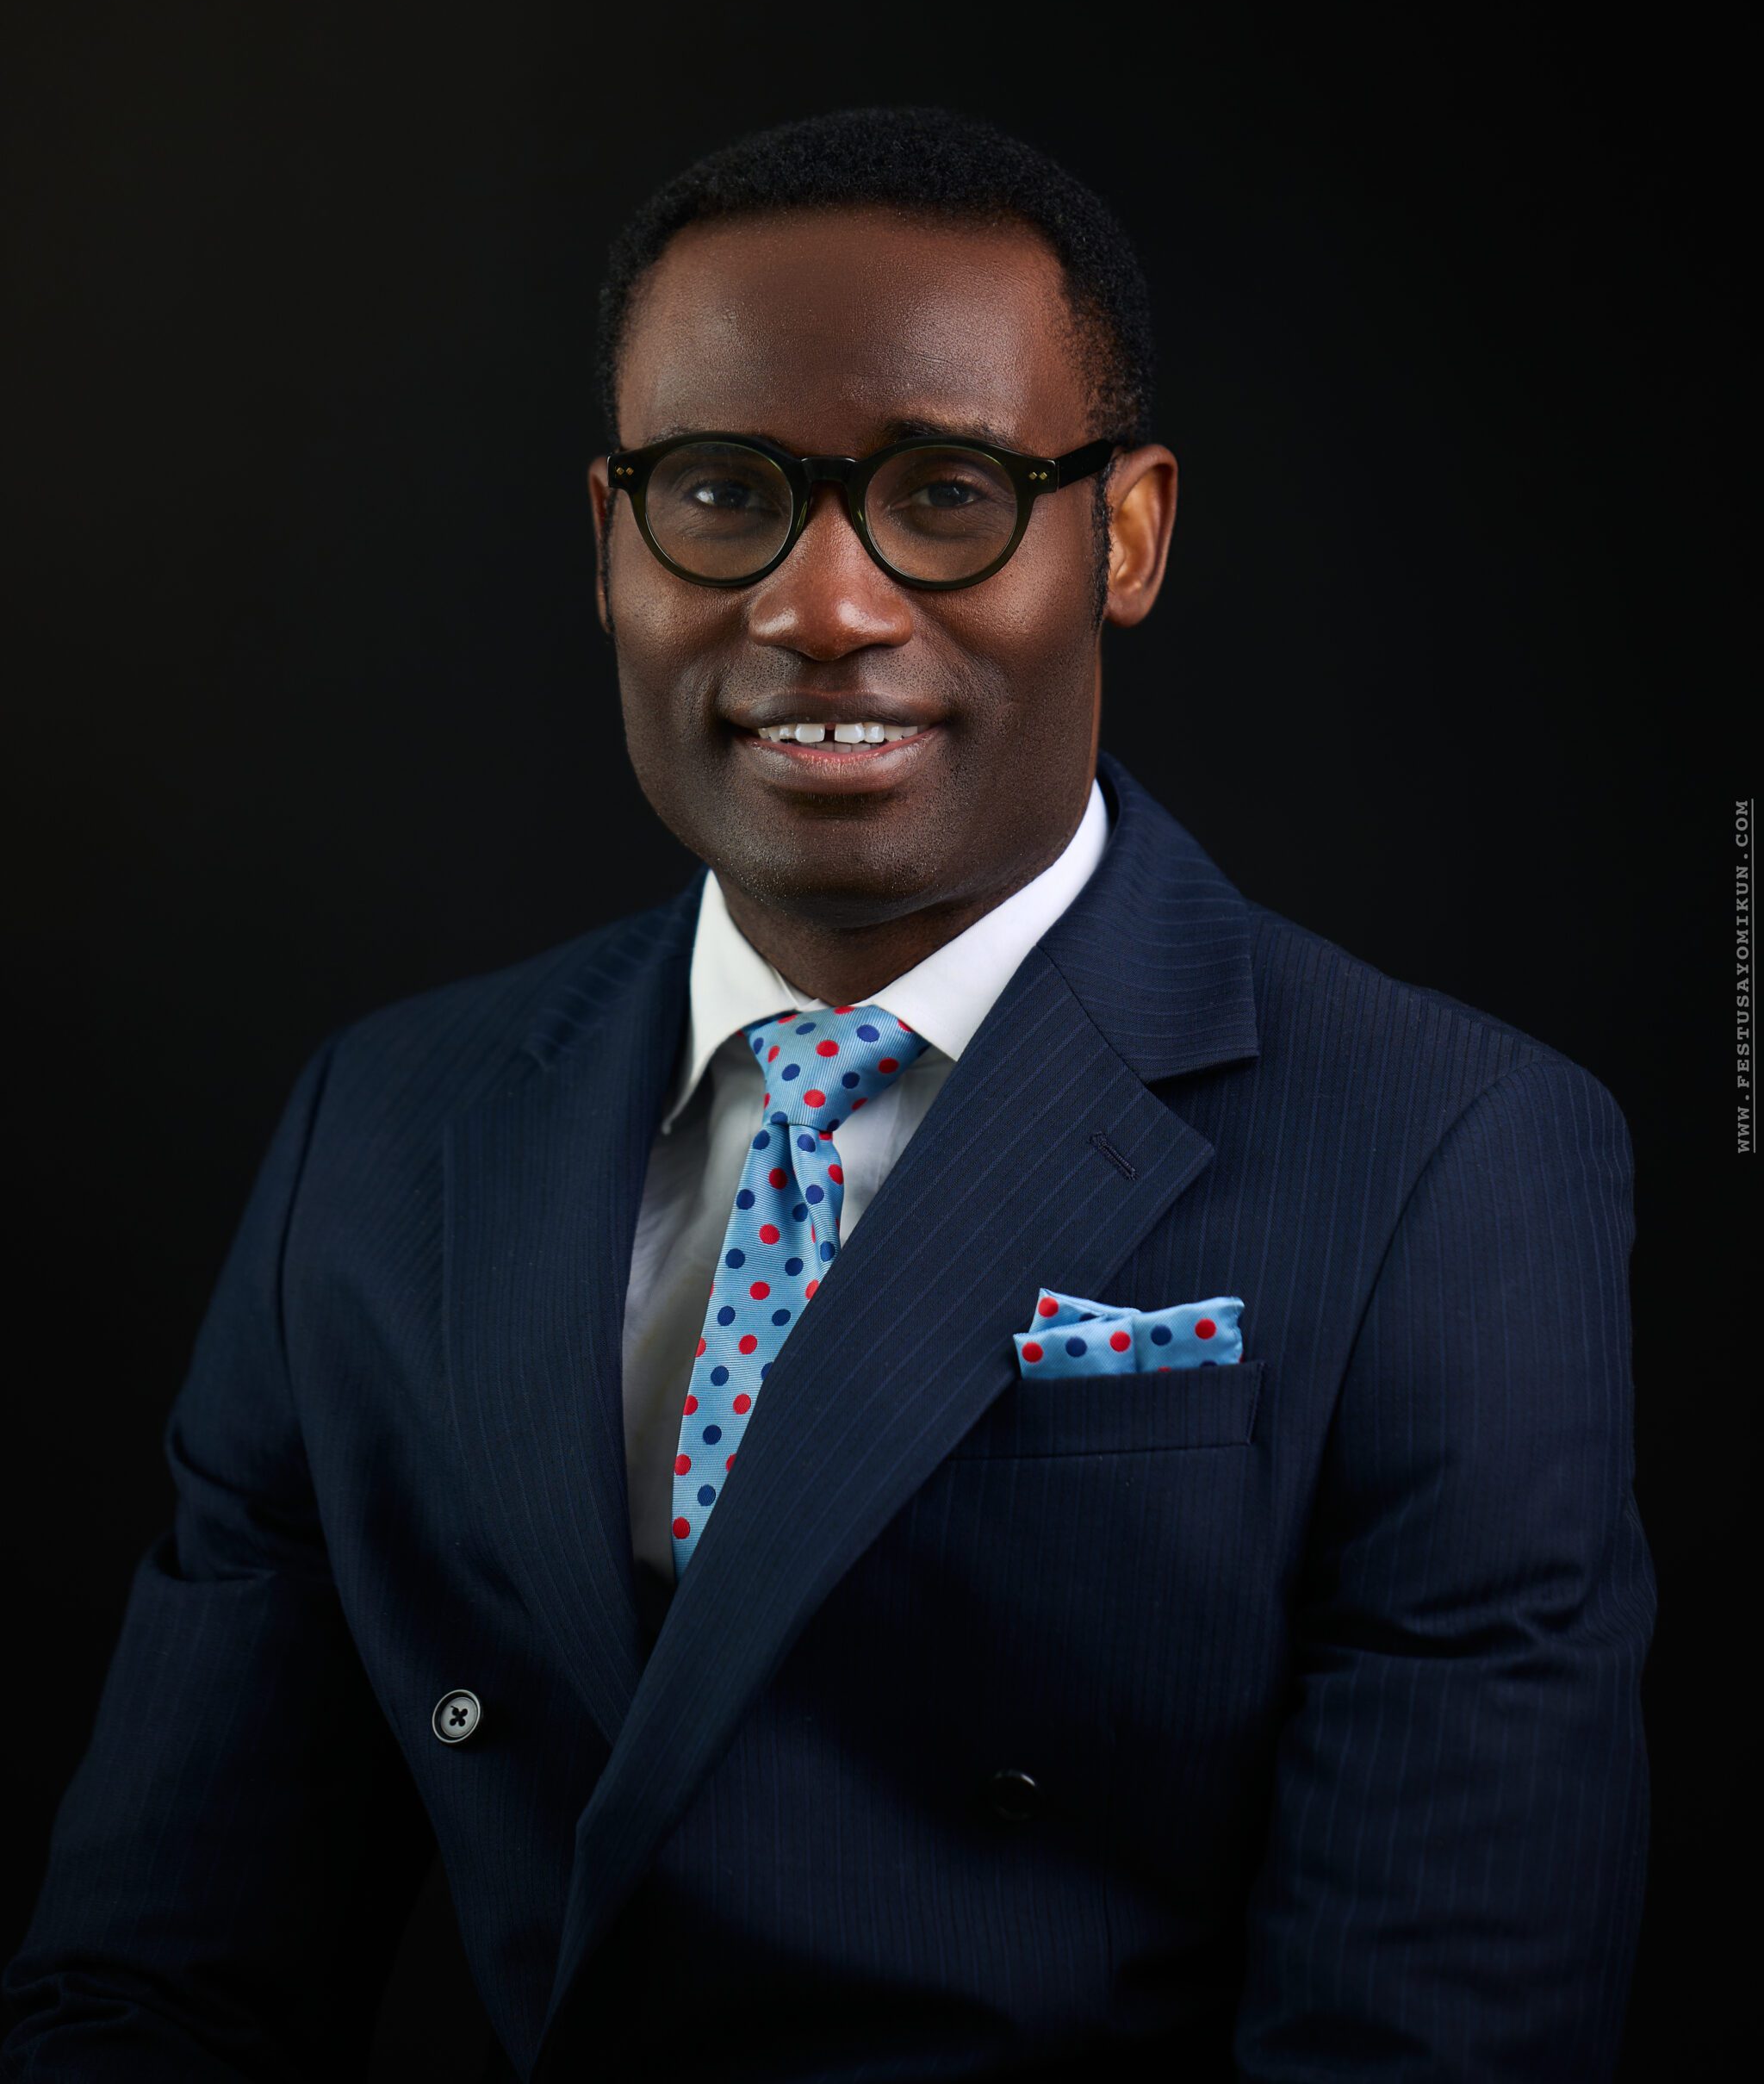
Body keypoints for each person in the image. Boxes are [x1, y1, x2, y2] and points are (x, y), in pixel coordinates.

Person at [3, 107, 1654, 2083]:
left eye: (946, 493)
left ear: (1125, 535)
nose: (822, 606)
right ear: (610, 540)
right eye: (723, 492)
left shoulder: (1449, 1152)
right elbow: (155, 1979)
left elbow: (1429, 2038)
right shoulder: (386, 1127)